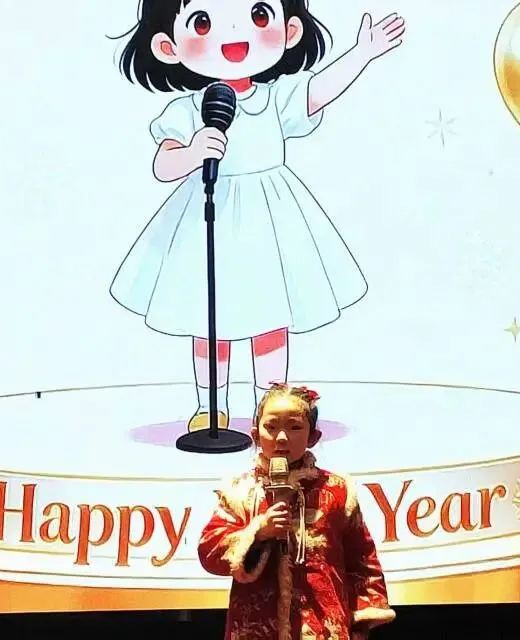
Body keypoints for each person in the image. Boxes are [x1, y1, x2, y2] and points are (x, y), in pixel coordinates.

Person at [110, 1, 406, 431]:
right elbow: (163, 164)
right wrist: (193, 152)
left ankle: (272, 404)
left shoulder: (274, 97)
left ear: (290, 31)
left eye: (259, 15)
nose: (234, 34)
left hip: (270, 219)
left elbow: (317, 92)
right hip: (207, 217)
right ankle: (210, 404)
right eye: (203, 22)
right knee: (209, 318)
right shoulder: (188, 109)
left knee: (270, 313)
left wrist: (362, 53)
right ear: (167, 46)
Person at [197, 383, 395, 639]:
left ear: (313, 437)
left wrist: (359, 626)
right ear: (255, 435)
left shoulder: (337, 490)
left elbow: (362, 560)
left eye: (294, 427)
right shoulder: (239, 490)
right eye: (271, 427)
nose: (281, 437)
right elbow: (210, 552)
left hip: (324, 629)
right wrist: (259, 532)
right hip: (255, 629)